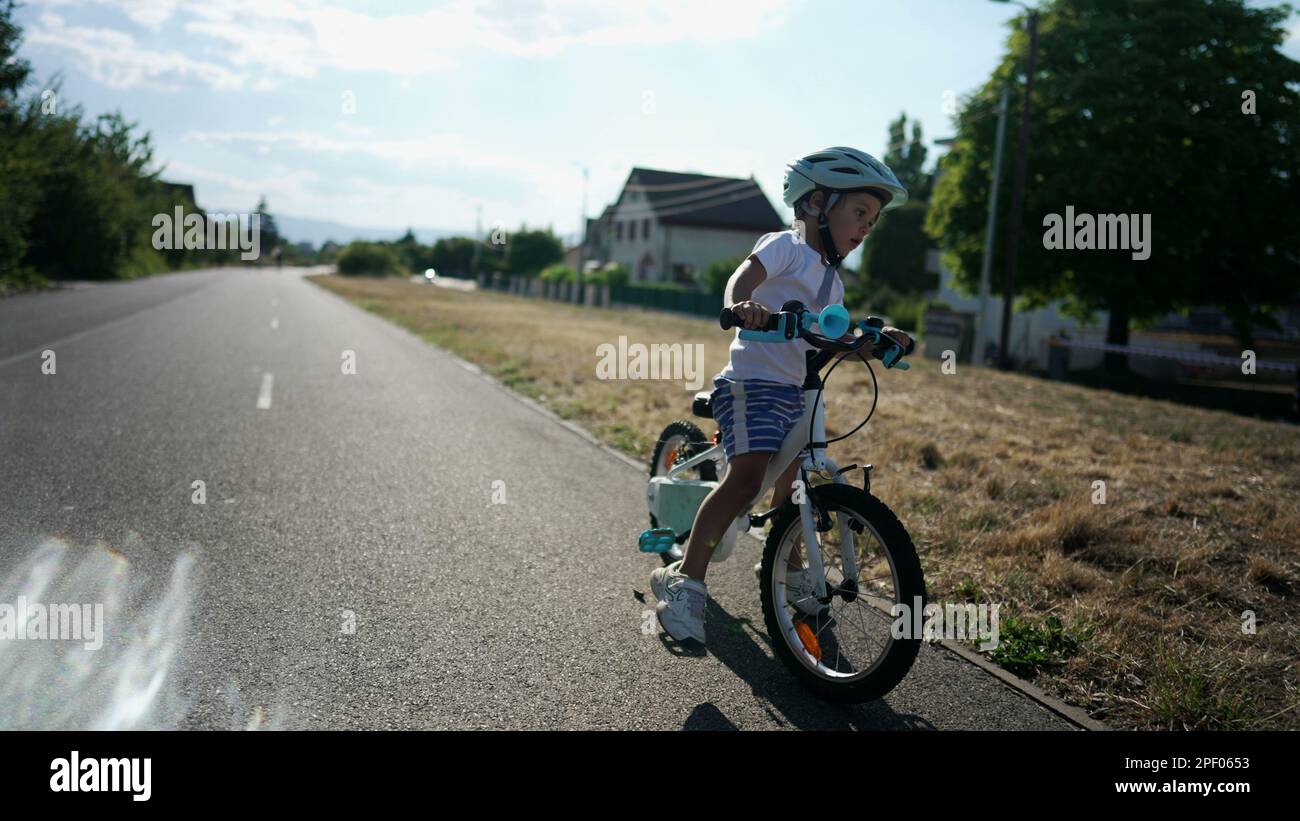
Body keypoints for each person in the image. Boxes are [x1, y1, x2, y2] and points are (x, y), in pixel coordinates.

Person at [650, 146, 914, 644]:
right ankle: (685, 580)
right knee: (747, 480)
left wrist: (877, 343)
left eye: (872, 222)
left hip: (797, 391)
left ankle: (785, 569)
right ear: (817, 203)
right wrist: (742, 304)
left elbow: (835, 335)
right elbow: (743, 277)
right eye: (859, 213)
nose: (864, 229)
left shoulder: (832, 281)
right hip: (751, 386)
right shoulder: (786, 247)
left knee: (795, 484)